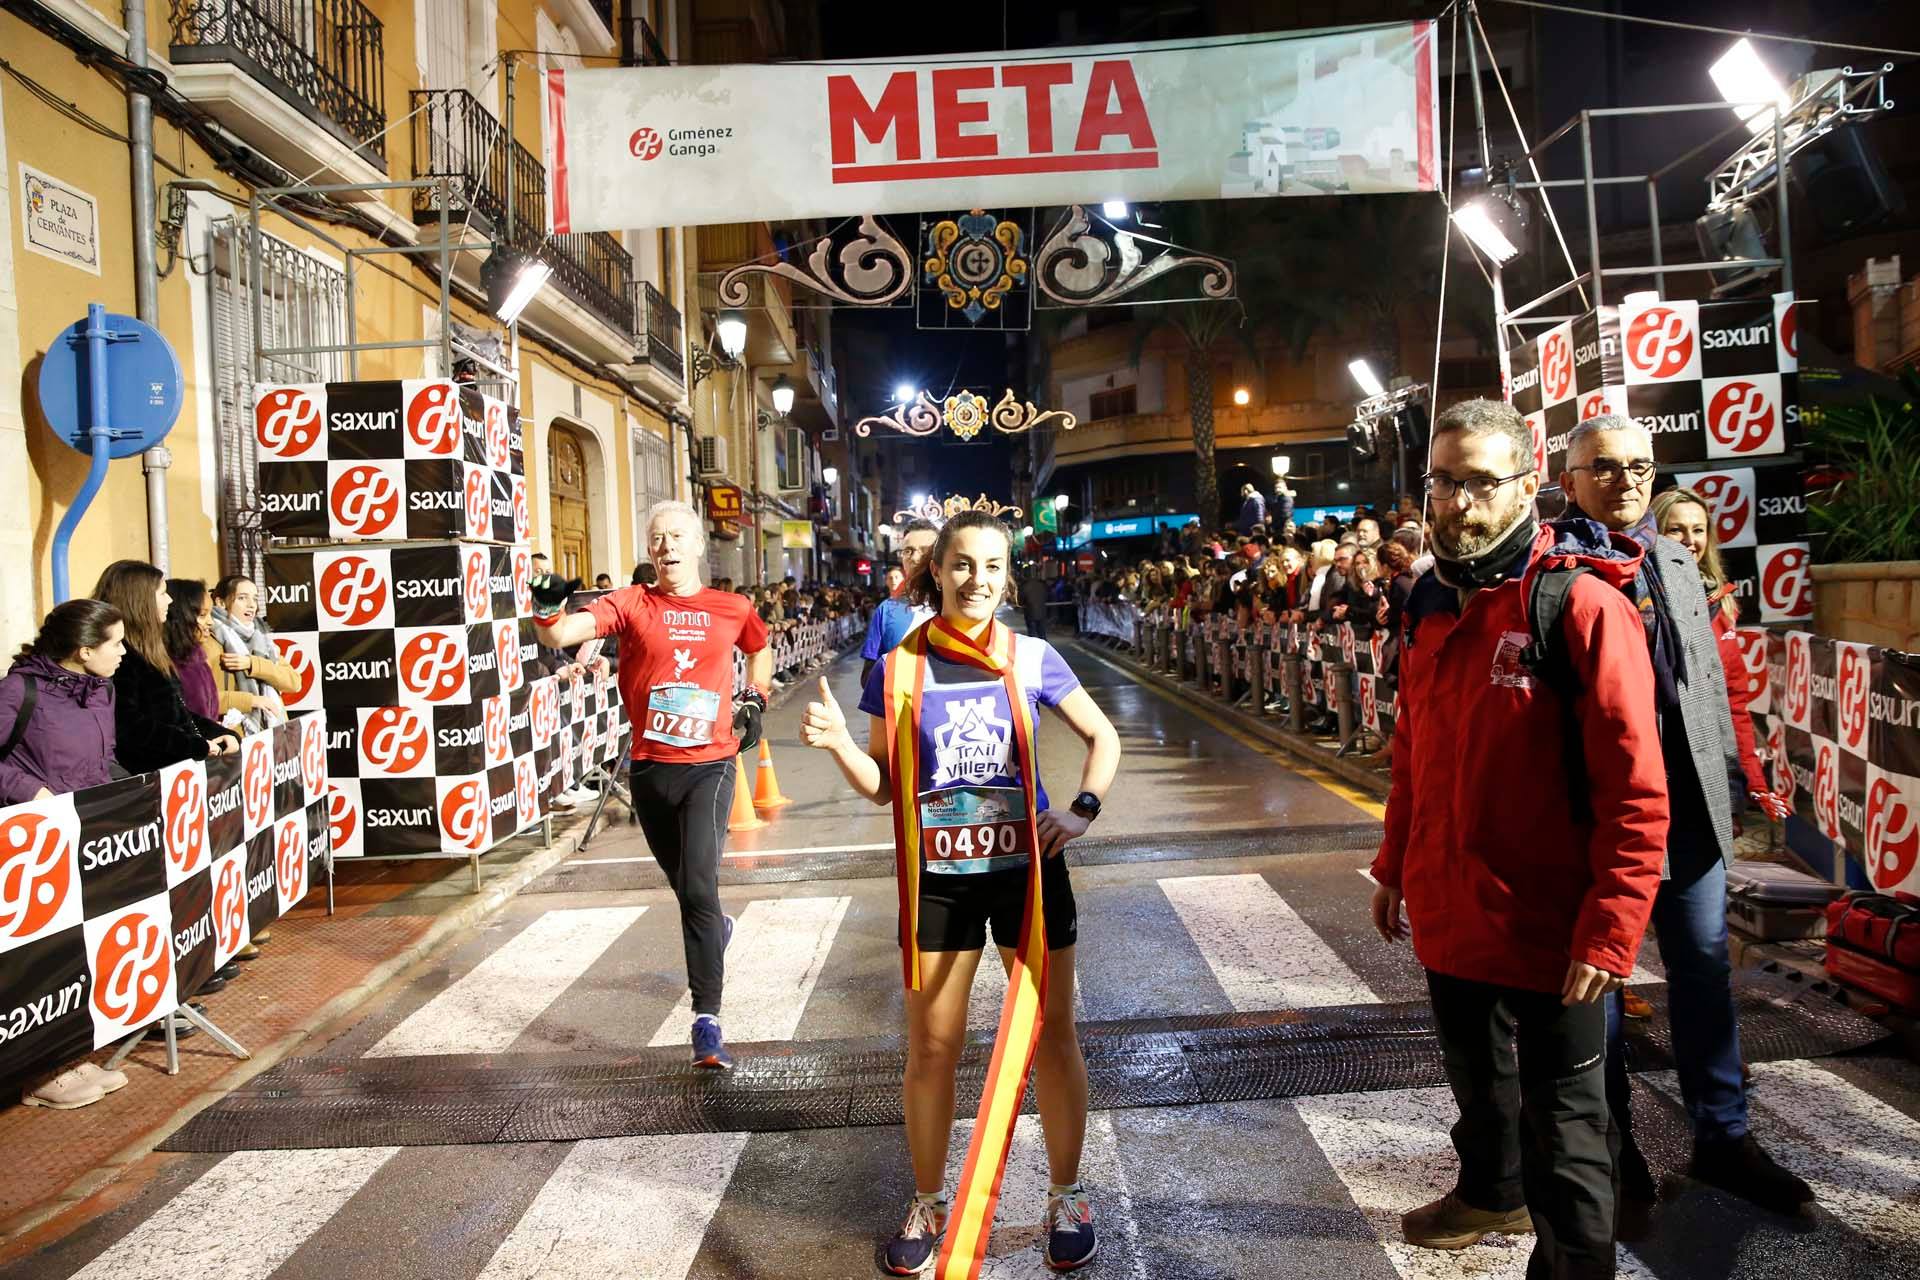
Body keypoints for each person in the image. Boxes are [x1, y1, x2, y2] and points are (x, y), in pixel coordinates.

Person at [1371, 398, 1669, 1277]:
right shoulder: (1429, 603)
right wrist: (1394, 864)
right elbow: (1413, 752)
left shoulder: (1578, 607)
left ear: (1527, 488)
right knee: (1479, 1088)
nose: (1457, 503)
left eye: (1479, 484)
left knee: (1570, 1131)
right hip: (1452, 907)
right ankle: (1489, 1193)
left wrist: (1612, 930)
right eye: (1442, 482)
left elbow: (1636, 792)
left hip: (1555, 930)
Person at [800, 511, 1120, 1276]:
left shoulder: (1032, 655)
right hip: (939, 876)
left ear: (1008, 576)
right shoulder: (899, 667)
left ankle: (1066, 1194)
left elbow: (1102, 738)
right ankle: (929, 1200)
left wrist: (1079, 811)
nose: (977, 579)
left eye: (991, 565)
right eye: (961, 565)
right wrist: (843, 744)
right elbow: (884, 787)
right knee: (933, 1048)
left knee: (1054, 1035)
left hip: (1027, 873)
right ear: (935, 573)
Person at [1560, 419, 1812, 1222]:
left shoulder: (1675, 559)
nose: (1625, 480)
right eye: (1604, 467)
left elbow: (1706, 687)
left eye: (1639, 466)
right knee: (1595, 990)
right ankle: (1611, 1153)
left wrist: (1730, 787)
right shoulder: (1549, 569)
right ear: (1570, 480)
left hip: (1690, 812)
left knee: (1705, 975)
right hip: (1596, 819)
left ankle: (1723, 1138)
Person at [530, 501, 772, 1070]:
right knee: (689, 893)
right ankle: (717, 926)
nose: (666, 546)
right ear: (649, 548)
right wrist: (546, 608)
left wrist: (755, 699)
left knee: (699, 887)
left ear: (697, 546)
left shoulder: (732, 607)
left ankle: (706, 1020)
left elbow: (758, 649)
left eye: (677, 536)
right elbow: (562, 632)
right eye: (656, 537)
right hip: (650, 770)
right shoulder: (632, 603)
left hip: (711, 766)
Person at [4, 601, 134, 1111]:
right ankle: (40, 1073)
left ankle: (71, 1055)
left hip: (88, 835)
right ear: (84, 650)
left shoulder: (102, 689)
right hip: (35, 843)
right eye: (115, 643)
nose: (124, 652)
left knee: (82, 951)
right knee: (46, 957)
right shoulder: (19, 690)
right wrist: (27, 790)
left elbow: (102, 761)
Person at [93, 561, 239, 775]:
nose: (169, 600)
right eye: (162, 593)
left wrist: (218, 733)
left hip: (175, 775)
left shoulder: (150, 649)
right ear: (140, 599)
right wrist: (195, 746)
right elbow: (129, 725)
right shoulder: (119, 657)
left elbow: (176, 713)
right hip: (147, 783)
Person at [208, 575, 298, 733]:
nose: (251, 605)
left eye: (255, 599)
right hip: (233, 738)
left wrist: (252, 664)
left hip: (268, 736)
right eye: (242, 598)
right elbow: (203, 699)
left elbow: (293, 682)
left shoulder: (262, 640)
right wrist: (251, 701)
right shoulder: (209, 640)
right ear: (221, 603)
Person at [862, 519, 940, 685]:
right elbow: (867, 678)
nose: (915, 557)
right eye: (908, 551)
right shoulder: (887, 610)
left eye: (925, 550)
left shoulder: (959, 605)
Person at [164, 580, 221, 722]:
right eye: (202, 615)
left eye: (210, 614)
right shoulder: (167, 664)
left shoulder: (197, 656)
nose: (210, 622)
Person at [1019, 570, 1050, 640]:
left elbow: (1021, 599)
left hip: (1030, 611)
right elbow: (1046, 596)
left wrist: (1021, 605)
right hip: (1042, 611)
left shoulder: (1025, 586)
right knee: (1042, 632)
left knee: (1032, 633)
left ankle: (1034, 648)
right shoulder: (1041, 585)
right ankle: (1044, 647)